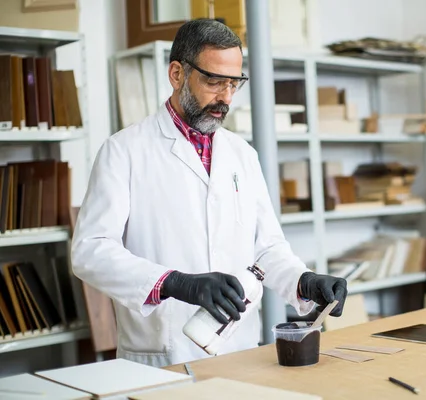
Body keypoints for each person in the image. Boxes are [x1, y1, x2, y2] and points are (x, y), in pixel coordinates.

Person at [71, 19, 347, 368]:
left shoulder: (242, 154)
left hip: (240, 350)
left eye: (234, 83)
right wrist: (175, 283)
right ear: (176, 74)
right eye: (214, 81)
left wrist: (304, 281)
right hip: (163, 353)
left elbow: (266, 248)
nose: (226, 98)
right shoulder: (124, 151)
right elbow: (89, 250)